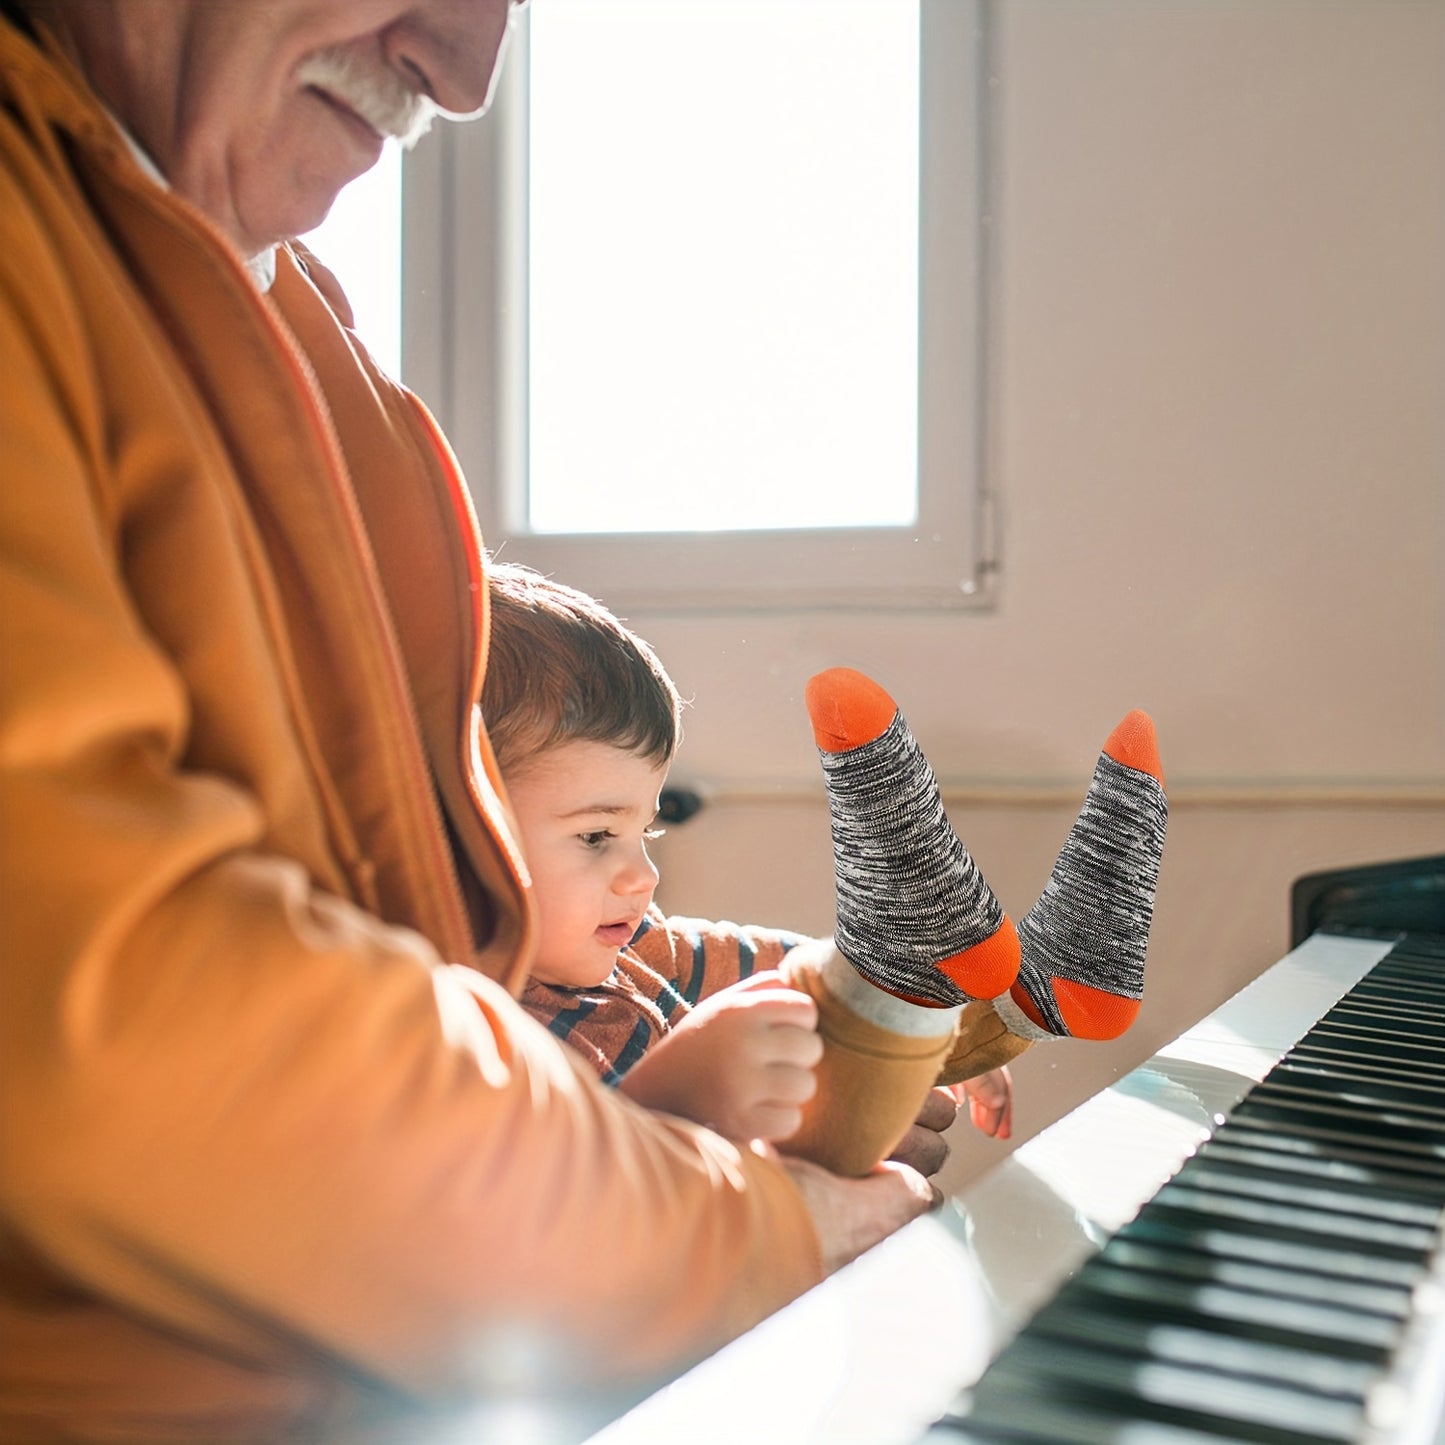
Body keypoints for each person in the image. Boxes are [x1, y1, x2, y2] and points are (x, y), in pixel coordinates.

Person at [0, 3, 946, 1440]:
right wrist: (744, 1231)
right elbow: (118, 1008)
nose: (461, 64)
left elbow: (447, 928)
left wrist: (851, 1004)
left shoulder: (250, 290)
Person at [483, 561, 1017, 1158]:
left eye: (646, 834)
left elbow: (789, 968)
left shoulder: (637, 949)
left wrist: (913, 1005)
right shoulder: (474, 1040)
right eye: (596, 836)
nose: (644, 877)